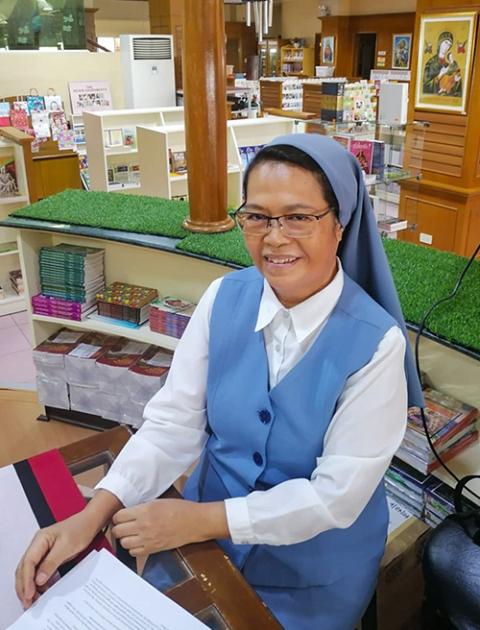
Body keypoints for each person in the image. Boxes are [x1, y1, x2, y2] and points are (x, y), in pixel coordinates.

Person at [15, 134, 423, 629]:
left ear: (340, 224)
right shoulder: (222, 298)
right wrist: (95, 511)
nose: (274, 238)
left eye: (298, 217)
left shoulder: (376, 344)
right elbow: (173, 424)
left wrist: (197, 519)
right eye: (256, 216)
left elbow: (334, 498)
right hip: (206, 543)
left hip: (314, 571)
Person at [423, 31, 462, 96]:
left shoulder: (452, 62)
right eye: (445, 42)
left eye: (449, 45)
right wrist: (440, 75)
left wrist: (455, 80)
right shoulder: (431, 62)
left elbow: (459, 88)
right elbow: (425, 87)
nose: (447, 46)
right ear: (440, 43)